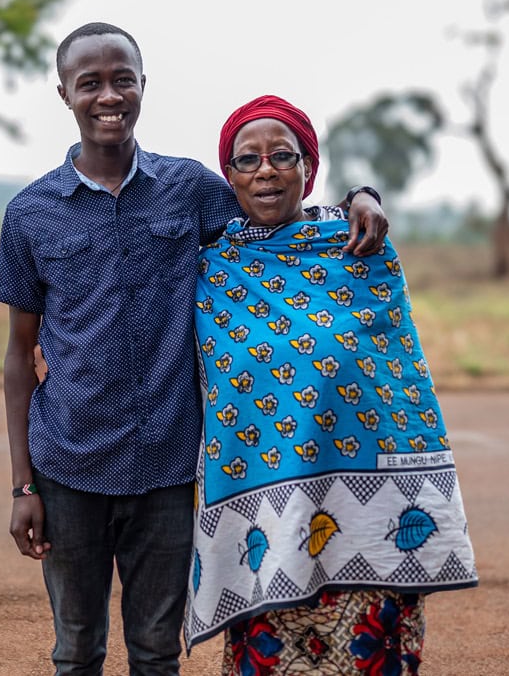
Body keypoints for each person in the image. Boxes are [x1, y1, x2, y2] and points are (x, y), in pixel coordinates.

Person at [0, 23, 391, 676]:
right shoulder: (30, 214)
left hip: (170, 474)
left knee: (156, 652)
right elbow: (17, 356)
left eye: (122, 79)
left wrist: (360, 198)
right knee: (76, 650)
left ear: (143, 86)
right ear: (64, 94)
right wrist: (21, 485)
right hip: (68, 469)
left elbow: (280, 214)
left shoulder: (191, 189)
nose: (108, 95)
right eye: (89, 83)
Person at [183, 95, 478, 675]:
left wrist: (361, 196)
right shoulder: (210, 271)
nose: (265, 170)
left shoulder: (361, 251)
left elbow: (398, 383)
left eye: (282, 156)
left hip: (372, 534)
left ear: (309, 169)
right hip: (262, 535)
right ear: (230, 178)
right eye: (248, 160)